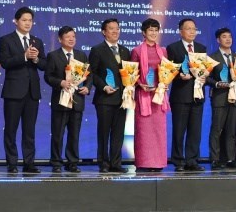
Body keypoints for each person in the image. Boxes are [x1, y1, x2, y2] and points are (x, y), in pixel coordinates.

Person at [0, 6, 47, 174]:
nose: (28, 23)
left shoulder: (37, 41)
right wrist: (24, 56)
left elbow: (44, 64)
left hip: (32, 92)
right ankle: (12, 163)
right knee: (11, 129)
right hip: (13, 91)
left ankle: (29, 163)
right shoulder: (6, 40)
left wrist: (36, 60)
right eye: (24, 20)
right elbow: (5, 62)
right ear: (16, 21)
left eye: (30, 20)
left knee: (29, 130)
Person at [44, 26, 90, 173]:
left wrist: (87, 87)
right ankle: (56, 162)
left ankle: (73, 162)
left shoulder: (81, 55)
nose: (71, 39)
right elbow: (48, 76)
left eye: (73, 36)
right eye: (67, 37)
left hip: (77, 100)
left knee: (74, 134)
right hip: (61, 100)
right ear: (60, 39)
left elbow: (89, 75)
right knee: (58, 134)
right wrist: (61, 82)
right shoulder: (53, 56)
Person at [89, 18, 131, 173]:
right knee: (104, 133)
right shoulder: (97, 50)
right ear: (104, 32)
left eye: (117, 28)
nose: (115, 31)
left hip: (122, 99)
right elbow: (92, 73)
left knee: (118, 133)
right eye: (111, 28)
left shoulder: (125, 51)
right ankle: (104, 163)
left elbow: (129, 73)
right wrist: (103, 86)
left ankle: (116, 163)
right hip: (104, 99)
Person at [166, 18, 207, 172]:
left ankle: (192, 160)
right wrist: (179, 76)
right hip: (180, 96)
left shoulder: (201, 48)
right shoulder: (173, 48)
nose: (191, 31)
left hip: (197, 95)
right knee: (179, 130)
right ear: (180, 31)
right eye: (188, 28)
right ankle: (178, 161)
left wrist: (205, 75)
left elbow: (204, 70)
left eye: (193, 29)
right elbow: (168, 70)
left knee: (195, 131)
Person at [131, 18, 169, 171]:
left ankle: (158, 163)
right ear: (144, 32)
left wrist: (165, 83)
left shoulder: (163, 51)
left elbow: (166, 71)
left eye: (156, 30)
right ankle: (144, 162)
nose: (153, 33)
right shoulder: (136, 51)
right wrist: (140, 84)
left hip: (158, 97)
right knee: (144, 131)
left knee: (159, 130)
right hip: (143, 96)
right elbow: (132, 74)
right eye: (150, 30)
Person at [207, 27, 236, 169]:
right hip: (220, 97)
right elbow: (206, 77)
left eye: (230, 36)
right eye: (224, 37)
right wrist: (216, 83)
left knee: (231, 130)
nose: (228, 39)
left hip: (235, 97)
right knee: (216, 129)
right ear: (218, 40)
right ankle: (215, 159)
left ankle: (230, 159)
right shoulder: (212, 57)